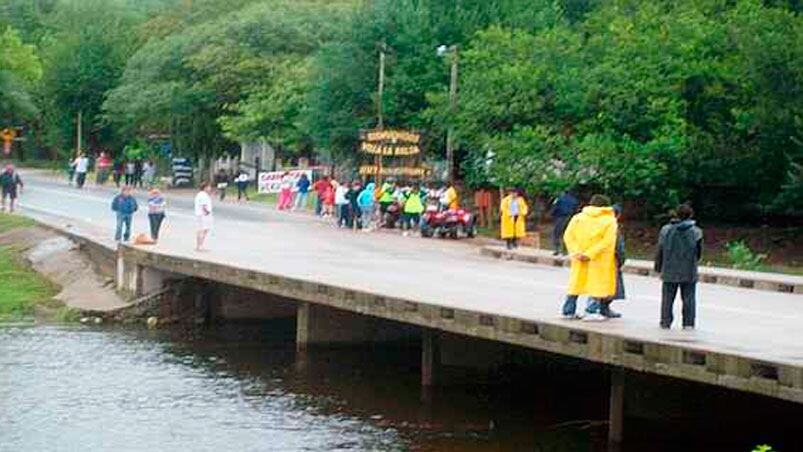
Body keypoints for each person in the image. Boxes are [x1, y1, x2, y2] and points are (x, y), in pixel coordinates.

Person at [560, 194, 618, 321]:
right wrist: (590, 254)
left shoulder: (578, 218)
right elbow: (607, 241)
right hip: (599, 259)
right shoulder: (609, 220)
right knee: (596, 284)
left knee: (575, 283)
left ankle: (568, 310)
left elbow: (568, 236)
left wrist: (576, 252)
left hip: (578, 257)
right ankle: (591, 311)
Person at [655, 204, 703, 330]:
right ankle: (688, 323)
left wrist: (658, 267)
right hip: (689, 270)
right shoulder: (696, 232)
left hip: (669, 268)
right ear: (690, 215)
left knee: (667, 298)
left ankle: (665, 322)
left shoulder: (666, 230)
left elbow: (660, 249)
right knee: (689, 298)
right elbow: (699, 253)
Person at [551, 192, 579, 256]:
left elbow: (555, 208)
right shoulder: (574, 200)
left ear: (564, 193)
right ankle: (565, 251)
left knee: (556, 234)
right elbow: (576, 210)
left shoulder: (559, 199)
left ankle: (556, 250)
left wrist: (552, 215)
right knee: (567, 234)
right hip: (570, 218)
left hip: (560, 218)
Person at [194, 182, 214, 251]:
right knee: (203, 230)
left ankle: (199, 245)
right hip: (203, 215)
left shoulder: (201, 194)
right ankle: (200, 245)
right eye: (209, 187)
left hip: (200, 214)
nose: (210, 188)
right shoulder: (203, 195)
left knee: (202, 230)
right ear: (205, 187)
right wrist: (207, 212)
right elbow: (204, 205)